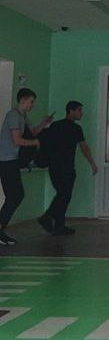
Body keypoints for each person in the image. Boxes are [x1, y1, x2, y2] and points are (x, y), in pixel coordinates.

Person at [0, 88, 53, 245]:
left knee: (15, 196)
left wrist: (44, 123)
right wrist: (34, 143)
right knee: (15, 196)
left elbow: (33, 132)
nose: (32, 105)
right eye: (31, 101)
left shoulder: (23, 116)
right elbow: (17, 140)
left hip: (12, 161)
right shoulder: (13, 115)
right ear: (23, 100)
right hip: (6, 160)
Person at [37, 101, 98, 236]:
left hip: (53, 167)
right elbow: (84, 148)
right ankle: (47, 217)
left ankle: (59, 225)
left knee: (63, 195)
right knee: (64, 195)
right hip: (67, 167)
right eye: (79, 110)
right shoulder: (76, 129)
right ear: (71, 111)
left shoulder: (55, 125)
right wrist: (92, 163)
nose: (81, 113)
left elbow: (44, 140)